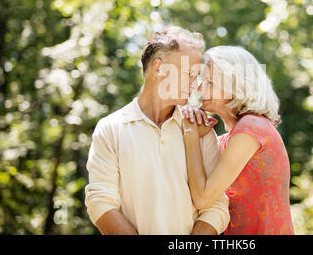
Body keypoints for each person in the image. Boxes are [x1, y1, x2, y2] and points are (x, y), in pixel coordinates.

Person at [84, 26, 230, 235]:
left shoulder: (200, 129)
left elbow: (216, 207)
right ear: (159, 68)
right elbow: (101, 202)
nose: (195, 84)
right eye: (189, 73)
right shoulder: (111, 128)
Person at [181, 45, 294, 235]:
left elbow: (202, 198)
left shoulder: (250, 128)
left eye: (209, 82)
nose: (200, 88)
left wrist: (190, 133)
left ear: (234, 85)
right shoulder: (232, 137)